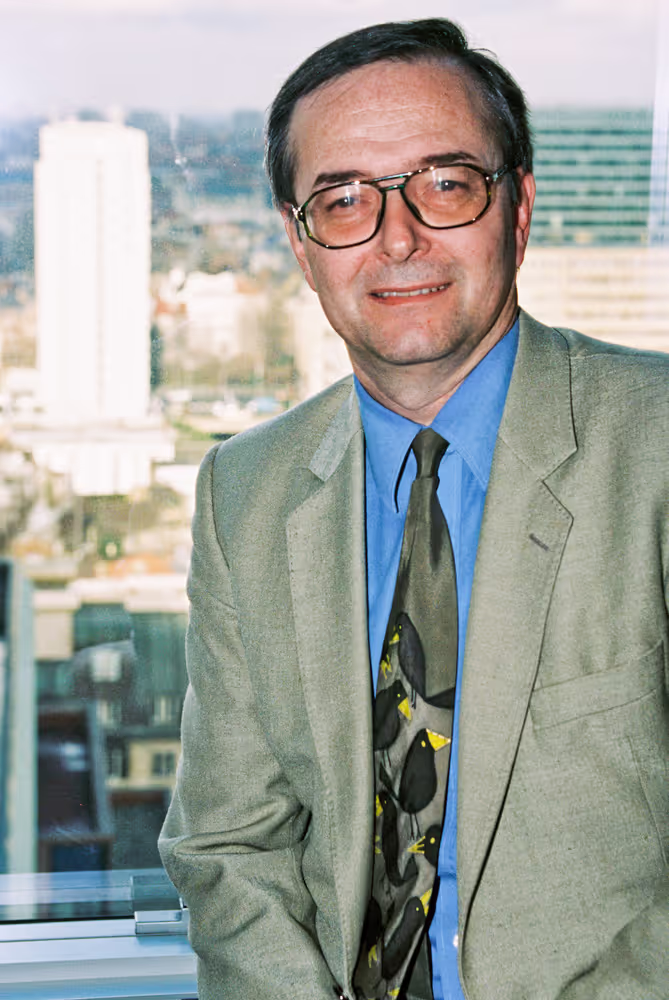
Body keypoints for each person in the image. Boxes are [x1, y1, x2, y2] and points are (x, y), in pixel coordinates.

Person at [159, 18, 669, 1000]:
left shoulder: (654, 444)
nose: (398, 237)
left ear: (516, 210)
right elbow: (228, 843)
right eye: (344, 197)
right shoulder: (245, 492)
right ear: (301, 246)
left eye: (445, 183)